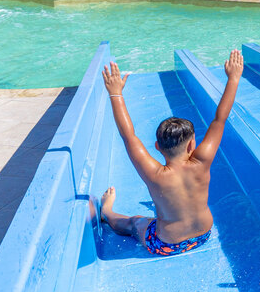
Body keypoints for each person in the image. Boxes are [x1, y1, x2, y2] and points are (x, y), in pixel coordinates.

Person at [98, 50, 243, 257]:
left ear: (157, 146)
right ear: (192, 144)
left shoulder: (154, 174)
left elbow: (128, 136)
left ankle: (106, 212)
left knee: (135, 222)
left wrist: (115, 93)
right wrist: (234, 79)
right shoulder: (202, 161)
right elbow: (220, 119)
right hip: (203, 235)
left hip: (167, 244)